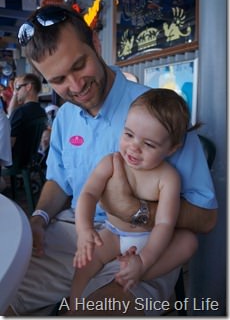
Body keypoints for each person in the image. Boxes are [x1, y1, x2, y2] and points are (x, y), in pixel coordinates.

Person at [8, 4, 217, 316]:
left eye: (79, 66)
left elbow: (205, 218)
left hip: (145, 246)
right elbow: (58, 182)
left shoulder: (157, 113)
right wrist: (39, 218)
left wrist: (135, 209)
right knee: (6, 292)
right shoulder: (65, 117)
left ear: (95, 43)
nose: (76, 86)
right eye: (60, 79)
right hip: (73, 233)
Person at [69, 89, 199, 313]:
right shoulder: (111, 161)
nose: (134, 147)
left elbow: (165, 224)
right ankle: (73, 307)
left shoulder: (168, 178)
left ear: (172, 149)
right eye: (128, 134)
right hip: (112, 233)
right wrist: (84, 230)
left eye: (149, 144)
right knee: (84, 262)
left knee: (188, 242)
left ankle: (138, 272)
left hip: (148, 239)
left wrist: (144, 260)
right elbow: (88, 194)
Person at [9, 73, 47, 167]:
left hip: (15, 162)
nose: (16, 91)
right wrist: (15, 92)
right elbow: (11, 115)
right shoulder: (41, 111)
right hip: (31, 159)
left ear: (28, 87)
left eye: (18, 87)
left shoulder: (20, 113)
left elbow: (8, 145)